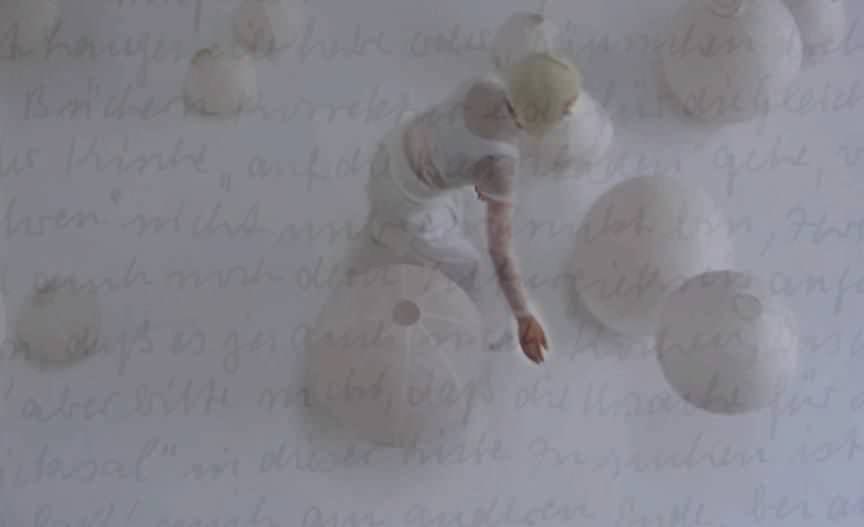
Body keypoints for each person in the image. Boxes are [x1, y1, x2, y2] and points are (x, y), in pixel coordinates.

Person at [365, 52, 582, 365]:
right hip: (402, 200)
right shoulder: (501, 162)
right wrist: (523, 317)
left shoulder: (483, 84)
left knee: (457, 203)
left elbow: (452, 133)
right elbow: (500, 253)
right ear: (542, 111)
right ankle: (487, 335)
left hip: (389, 151)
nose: (570, 112)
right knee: (469, 265)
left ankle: (397, 225)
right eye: (564, 108)